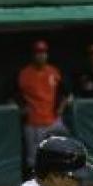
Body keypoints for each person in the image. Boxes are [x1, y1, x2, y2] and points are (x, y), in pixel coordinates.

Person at [18, 40, 68, 171]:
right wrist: (21, 108)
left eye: (43, 52)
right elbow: (11, 96)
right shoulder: (24, 74)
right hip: (34, 123)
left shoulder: (54, 72)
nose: (41, 55)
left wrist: (61, 109)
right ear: (33, 55)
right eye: (38, 52)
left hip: (53, 121)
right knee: (34, 161)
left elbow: (65, 93)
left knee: (62, 153)